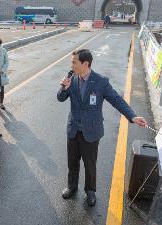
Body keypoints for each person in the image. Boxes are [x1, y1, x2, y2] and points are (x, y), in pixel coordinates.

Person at [57, 49, 147, 206]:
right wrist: (63, 87)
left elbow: (116, 99)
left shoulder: (100, 81)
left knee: (90, 164)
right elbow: (60, 98)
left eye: (74, 62)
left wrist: (132, 116)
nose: (71, 65)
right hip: (73, 130)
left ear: (85, 64)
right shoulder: (72, 78)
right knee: (72, 162)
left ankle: (90, 191)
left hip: (91, 131)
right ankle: (72, 187)